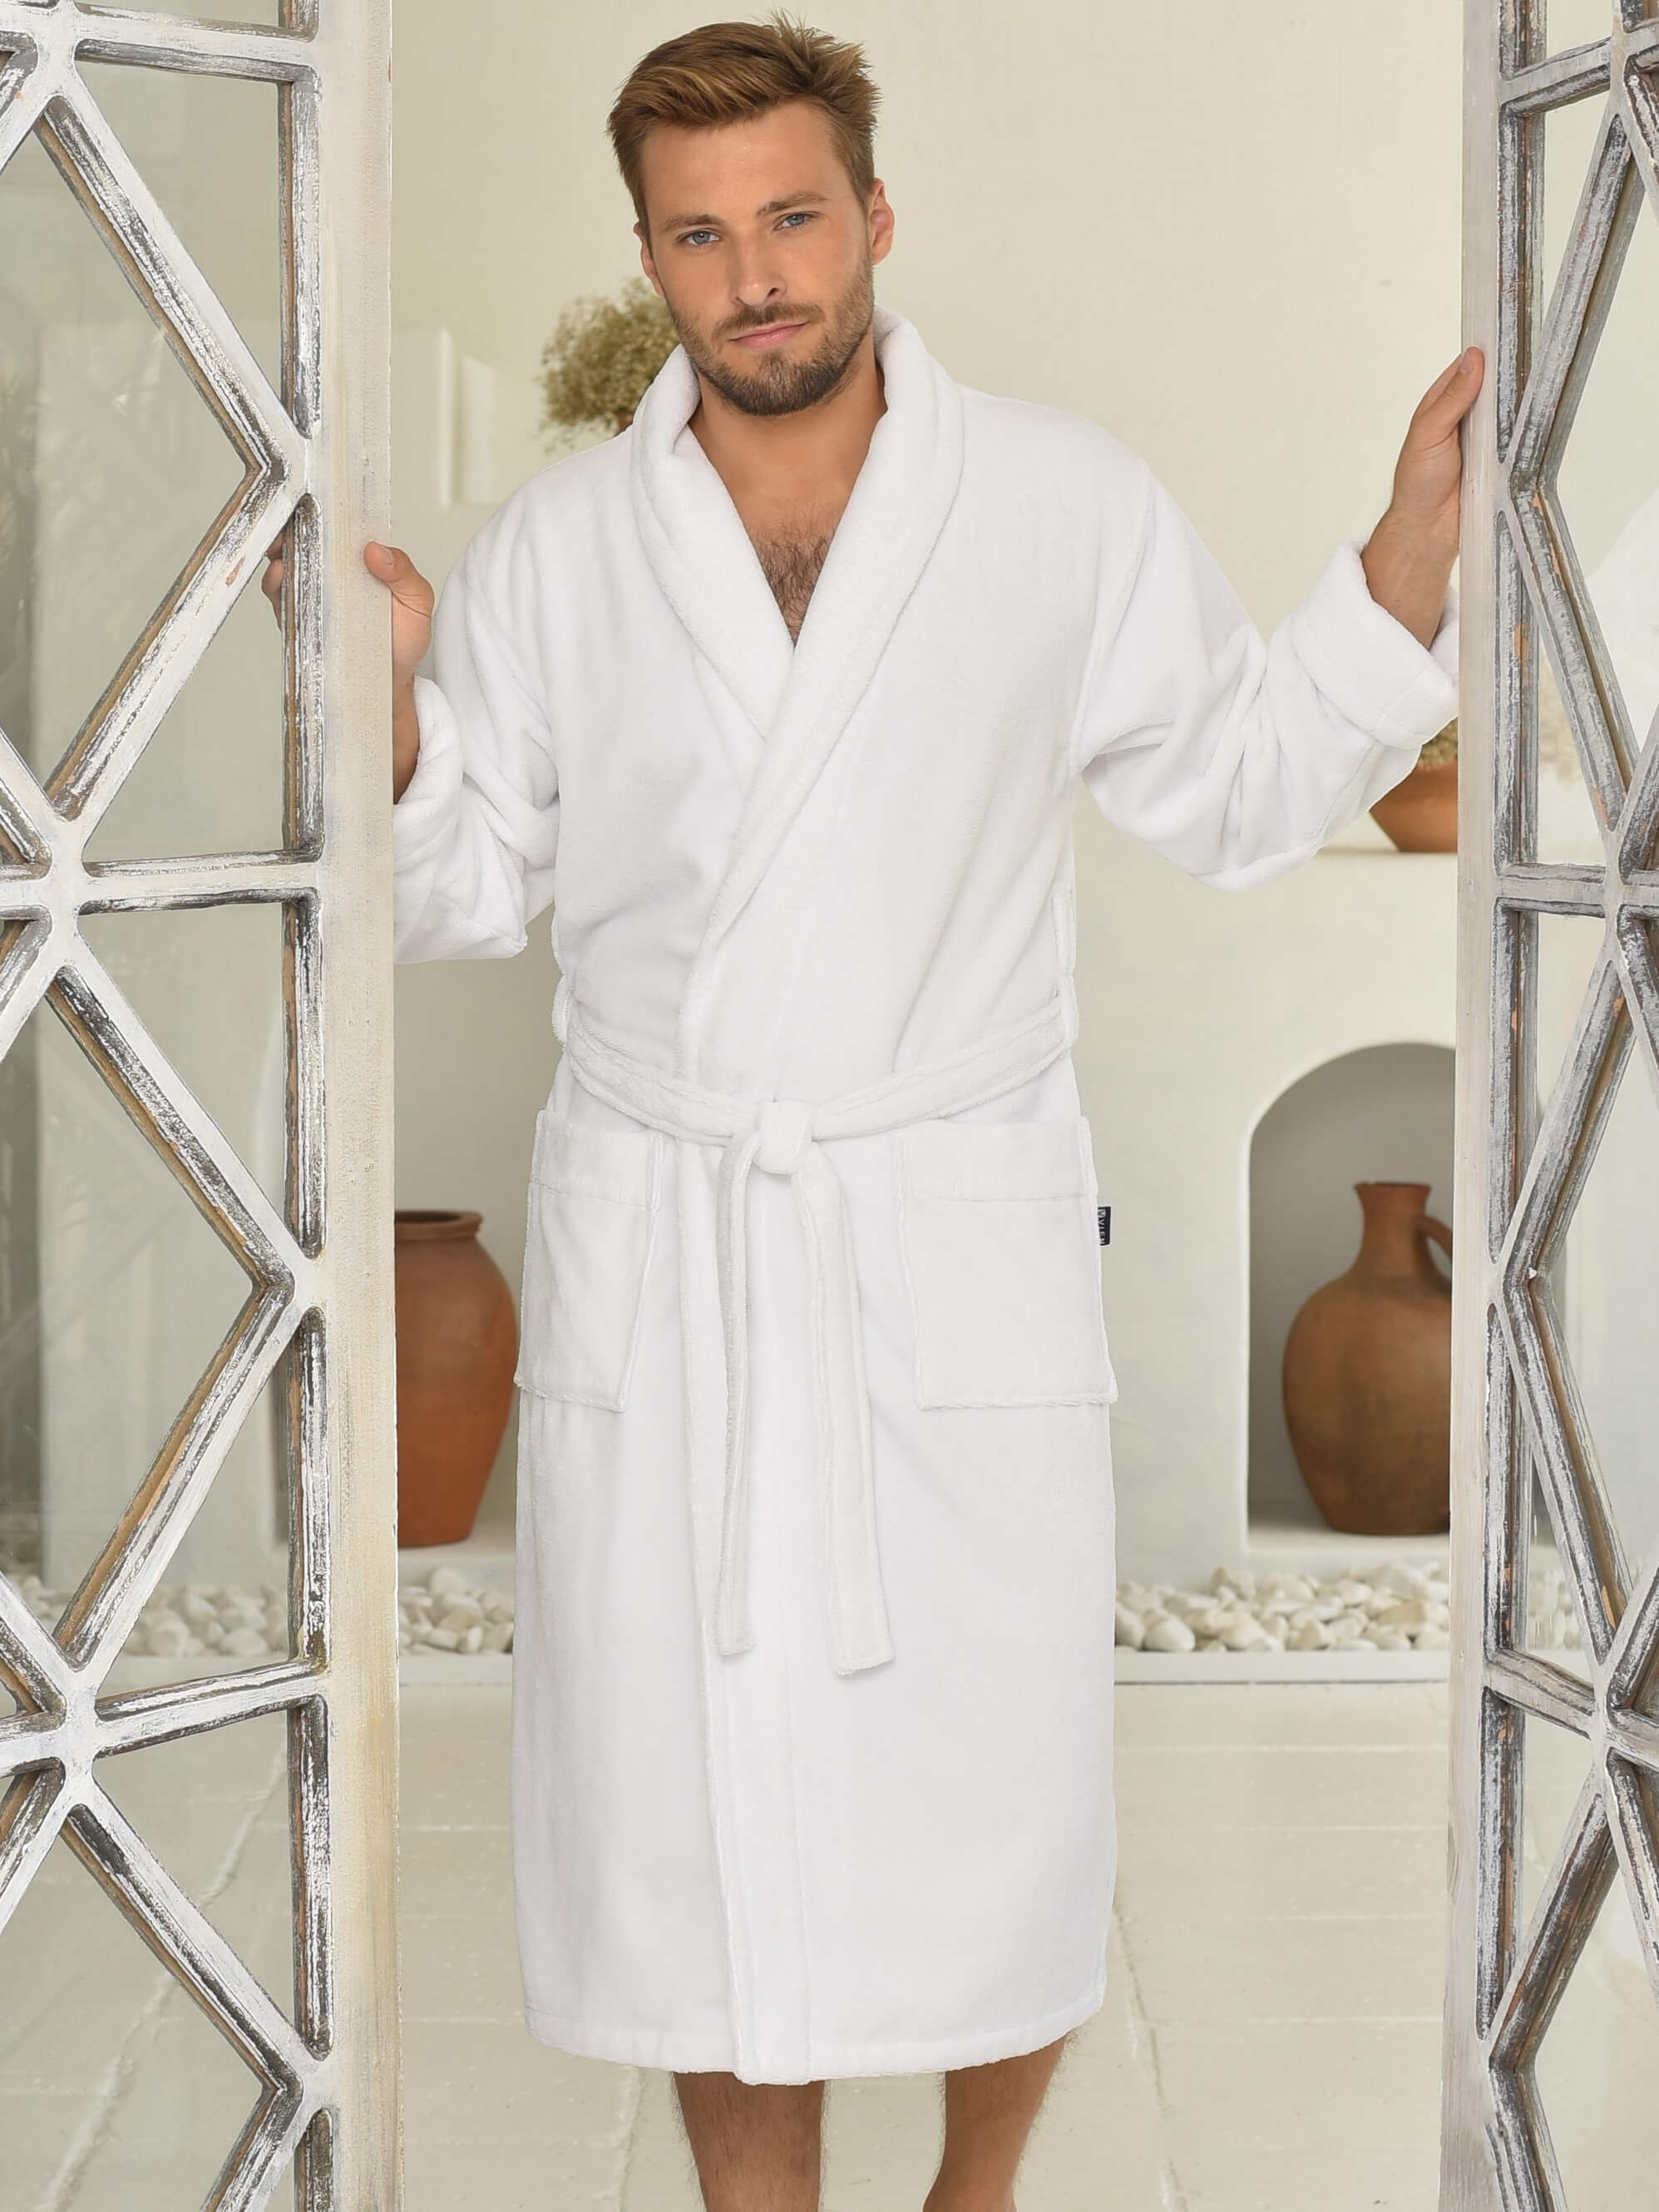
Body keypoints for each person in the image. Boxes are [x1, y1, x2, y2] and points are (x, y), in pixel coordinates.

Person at [266, 16, 1478, 2208]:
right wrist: (403, 722)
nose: (756, 278)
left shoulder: (1054, 501)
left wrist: (1401, 557)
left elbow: (1235, 789)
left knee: (996, 1777)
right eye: (699, 236)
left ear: (874, 217)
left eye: (792, 218)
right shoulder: (561, 549)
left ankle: (971, 2193)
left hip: (942, 1223)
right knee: (686, 1804)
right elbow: (456, 891)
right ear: (652, 257)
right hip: (678, 1232)